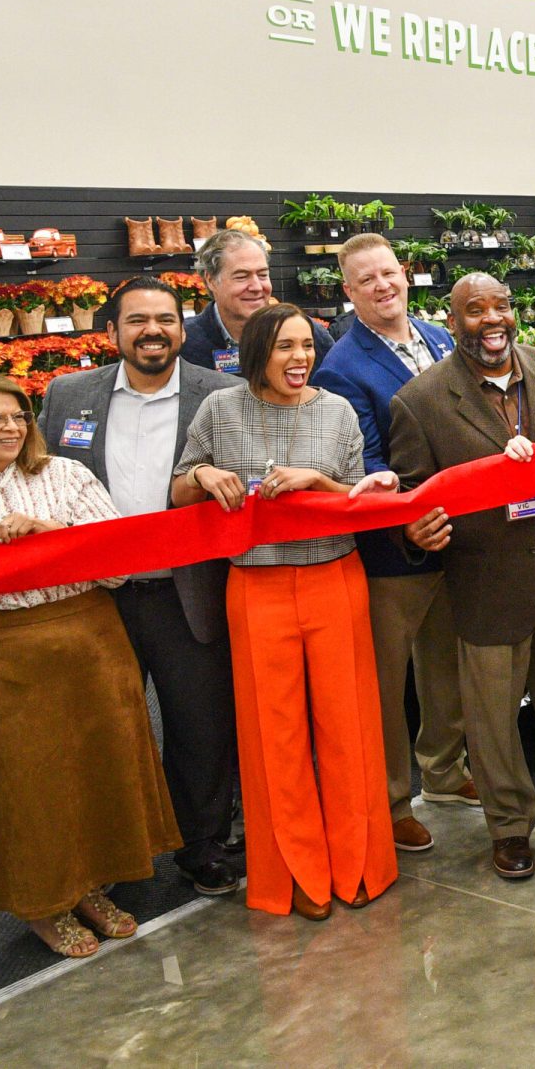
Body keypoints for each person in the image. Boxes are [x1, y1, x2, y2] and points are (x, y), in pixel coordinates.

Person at [0, 372, 180, 955]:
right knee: (27, 784)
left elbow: (121, 563)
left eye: (19, 417)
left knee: (95, 770)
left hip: (88, 646)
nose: (12, 428)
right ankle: (43, 902)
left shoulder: (65, 475)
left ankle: (89, 885)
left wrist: (54, 536)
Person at [390, 274, 535, 883]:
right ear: (451, 321)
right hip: (485, 577)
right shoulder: (420, 400)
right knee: (492, 716)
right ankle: (510, 826)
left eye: (502, 306)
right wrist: (414, 529)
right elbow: (412, 497)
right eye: (476, 310)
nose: (492, 319)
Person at [173, 303, 398, 919]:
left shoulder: (337, 410)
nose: (300, 358)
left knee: (349, 728)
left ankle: (358, 862)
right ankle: (294, 870)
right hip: (256, 586)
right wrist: (205, 473)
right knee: (274, 736)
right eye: (285, 347)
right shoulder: (219, 409)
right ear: (257, 353)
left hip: (335, 577)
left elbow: (356, 497)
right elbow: (179, 488)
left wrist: (316, 482)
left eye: (307, 346)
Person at [37, 275, 243, 897]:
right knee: (99, 727)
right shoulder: (69, 394)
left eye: (165, 319)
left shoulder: (221, 394)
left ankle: (202, 846)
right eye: (137, 320)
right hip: (97, 596)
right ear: (112, 332)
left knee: (200, 727)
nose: (152, 331)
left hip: (187, 592)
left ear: (182, 328)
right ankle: (111, 855)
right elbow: (37, 475)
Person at [309, 233, 471, 857]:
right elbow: (365, 459)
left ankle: (444, 771)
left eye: (388, 273)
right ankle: (393, 799)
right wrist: (405, 520)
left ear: (405, 273)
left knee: (445, 665)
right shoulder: (341, 367)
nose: (382, 286)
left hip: (456, 534)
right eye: (366, 280)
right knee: (386, 680)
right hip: (392, 551)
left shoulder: (438, 337)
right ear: (348, 292)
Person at [181, 229, 333, 376]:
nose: (257, 287)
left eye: (262, 275)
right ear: (211, 280)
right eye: (242, 276)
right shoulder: (184, 341)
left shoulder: (310, 335)